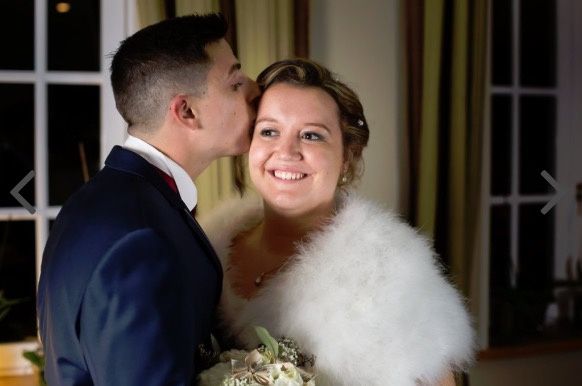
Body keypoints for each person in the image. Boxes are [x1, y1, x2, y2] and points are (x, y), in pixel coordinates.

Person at [200, 59, 474, 385]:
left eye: (312, 136)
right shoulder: (205, 251)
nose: (286, 151)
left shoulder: (391, 274)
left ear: (346, 158)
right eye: (269, 131)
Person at [37, 13, 259, 386]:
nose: (253, 89)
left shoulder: (103, 201)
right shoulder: (138, 237)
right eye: (235, 81)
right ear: (186, 111)